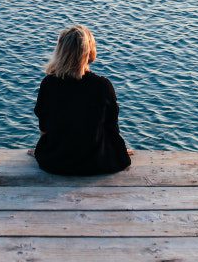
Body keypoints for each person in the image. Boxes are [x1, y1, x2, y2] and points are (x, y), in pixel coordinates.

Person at [30, 25, 132, 175]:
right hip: (97, 163)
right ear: (89, 52)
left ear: (61, 51)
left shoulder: (49, 84)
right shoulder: (102, 86)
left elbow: (44, 127)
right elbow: (112, 127)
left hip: (56, 162)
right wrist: (119, 150)